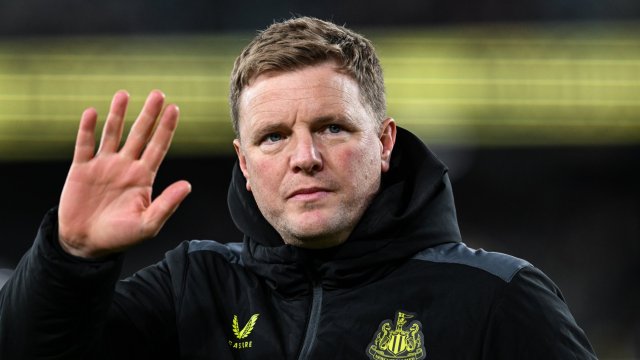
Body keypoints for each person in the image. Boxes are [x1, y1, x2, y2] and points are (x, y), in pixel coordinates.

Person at [0, 16, 596, 359]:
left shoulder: (499, 297)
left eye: (332, 128)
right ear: (243, 161)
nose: (304, 158)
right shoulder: (193, 288)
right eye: (273, 137)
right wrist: (70, 256)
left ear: (385, 141)